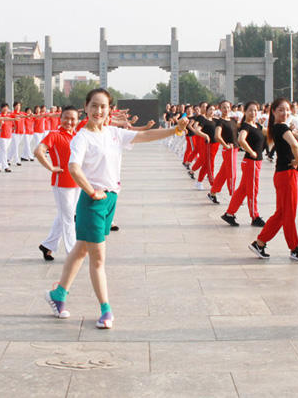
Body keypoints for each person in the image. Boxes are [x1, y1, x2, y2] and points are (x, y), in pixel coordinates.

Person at [43, 88, 188, 329]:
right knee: (98, 258)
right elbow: (74, 169)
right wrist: (91, 192)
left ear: (110, 109)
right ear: (86, 108)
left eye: (103, 106)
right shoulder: (82, 137)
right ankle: (105, 309)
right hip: (92, 202)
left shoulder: (113, 133)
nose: (98, 111)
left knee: (80, 250)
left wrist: (174, 130)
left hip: (110, 199)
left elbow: (144, 136)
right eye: (94, 106)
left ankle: (58, 294)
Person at [248, 99, 298, 261]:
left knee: (282, 213)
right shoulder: (281, 127)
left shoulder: (279, 127)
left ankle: (260, 242)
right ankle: (294, 248)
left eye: (287, 110)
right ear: (273, 112)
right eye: (280, 110)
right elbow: (295, 145)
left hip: (284, 174)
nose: (285, 113)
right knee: (289, 214)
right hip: (287, 174)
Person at [35, 106, 81, 261]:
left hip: (78, 182)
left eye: (73, 118)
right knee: (68, 218)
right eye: (66, 118)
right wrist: (51, 168)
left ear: (77, 120)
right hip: (62, 183)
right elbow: (38, 151)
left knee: (65, 215)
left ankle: (48, 245)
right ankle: (72, 254)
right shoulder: (54, 135)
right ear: (60, 118)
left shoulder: (77, 135)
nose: (69, 121)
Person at [221, 101, 267, 227]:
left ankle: (229, 214)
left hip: (255, 162)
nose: (253, 113)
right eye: (251, 110)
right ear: (245, 112)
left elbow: (270, 133)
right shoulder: (246, 126)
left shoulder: (257, 125)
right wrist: (251, 151)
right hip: (251, 162)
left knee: (243, 190)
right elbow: (241, 139)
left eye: (256, 110)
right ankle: (255, 216)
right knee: (252, 190)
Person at [208, 101, 239, 204]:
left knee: (223, 173)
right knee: (232, 173)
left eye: (228, 107)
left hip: (235, 148)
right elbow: (217, 136)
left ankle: (212, 192)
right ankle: (234, 194)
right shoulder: (220, 122)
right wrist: (225, 145)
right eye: (224, 107)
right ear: (220, 109)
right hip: (229, 150)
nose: (226, 109)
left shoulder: (233, 120)